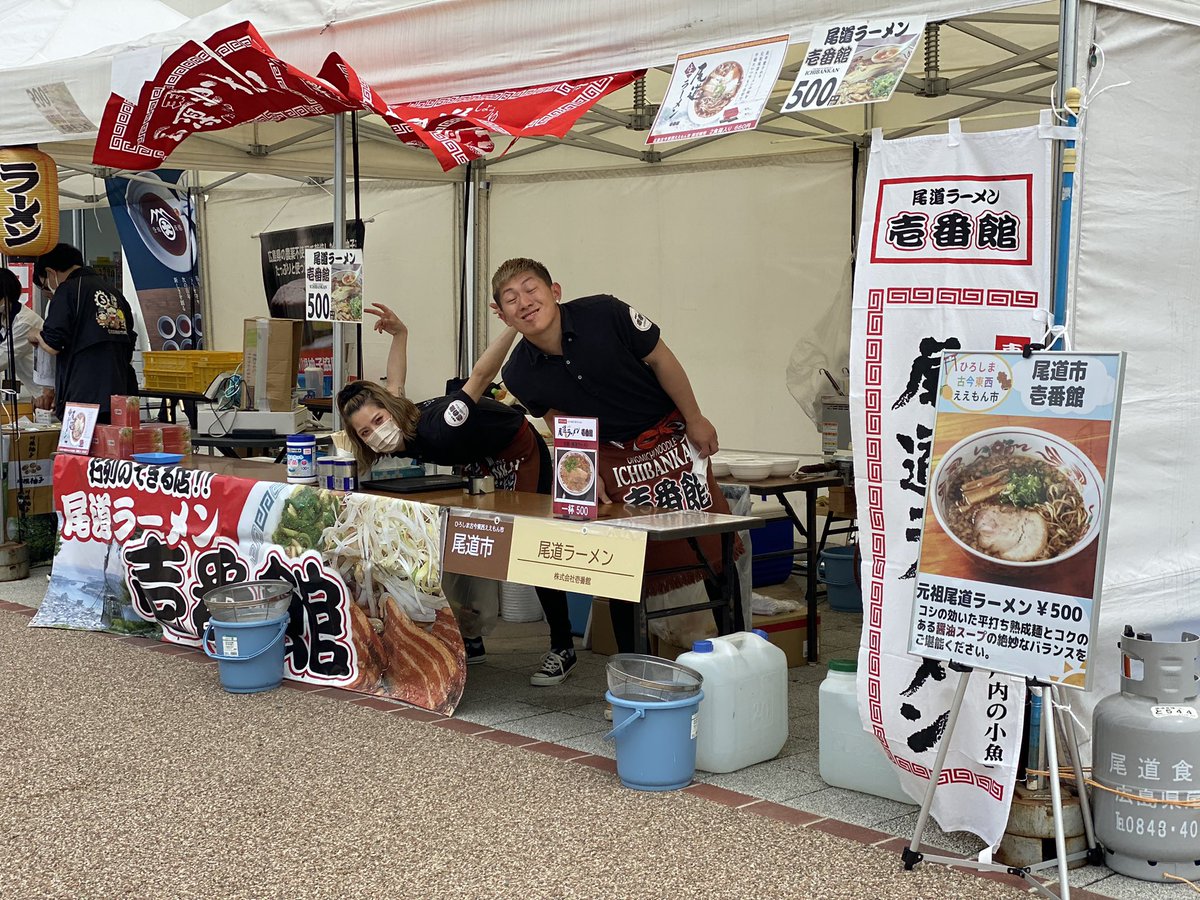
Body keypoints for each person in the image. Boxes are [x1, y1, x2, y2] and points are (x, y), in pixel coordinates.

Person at [492, 257, 739, 654]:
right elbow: (558, 419)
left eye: (530, 289)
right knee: (620, 562)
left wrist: (695, 417)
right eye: (511, 298)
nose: (524, 302)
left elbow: (661, 359)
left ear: (555, 292)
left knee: (707, 542)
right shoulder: (519, 372)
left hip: (669, 437)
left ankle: (731, 652)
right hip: (607, 453)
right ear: (501, 313)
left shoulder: (605, 312)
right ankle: (633, 669)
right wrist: (586, 471)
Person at [337, 302, 580, 685]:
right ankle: (472, 636)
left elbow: (482, 374)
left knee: (530, 546)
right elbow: (396, 382)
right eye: (366, 432)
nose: (376, 433)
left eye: (378, 421)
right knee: (469, 541)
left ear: (390, 412)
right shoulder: (400, 417)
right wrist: (401, 333)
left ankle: (563, 647)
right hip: (479, 458)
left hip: (520, 449)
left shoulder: (441, 425)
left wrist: (514, 325)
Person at [29, 243, 137, 424]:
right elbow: (129, 340)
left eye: (45, 283)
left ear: (50, 272)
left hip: (84, 394)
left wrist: (36, 334)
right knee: (113, 447)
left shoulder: (67, 290)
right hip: (121, 390)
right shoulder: (114, 292)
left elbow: (54, 343)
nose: (49, 289)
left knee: (82, 449)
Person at [0, 267, 53, 408]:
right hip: (38, 391)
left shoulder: (24, 322)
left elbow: (2, 358)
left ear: (5, 298)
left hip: (49, 393)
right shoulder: (5, 318)